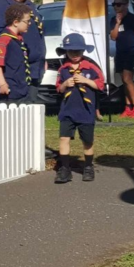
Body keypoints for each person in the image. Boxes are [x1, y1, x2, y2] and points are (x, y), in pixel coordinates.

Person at [53, 33, 105, 184]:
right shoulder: (63, 69)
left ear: (83, 51)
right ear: (66, 52)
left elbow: (100, 86)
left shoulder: (91, 68)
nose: (74, 55)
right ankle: (65, 168)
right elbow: (58, 89)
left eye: (77, 52)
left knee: (87, 141)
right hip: (67, 110)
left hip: (85, 110)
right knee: (64, 138)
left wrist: (86, 81)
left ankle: (88, 166)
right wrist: (65, 84)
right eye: (70, 52)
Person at [109, 0, 134, 118]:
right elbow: (113, 37)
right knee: (124, 81)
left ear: (126, 5)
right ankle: (128, 107)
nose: (116, 7)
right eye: (114, 4)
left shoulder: (133, 19)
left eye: (119, 4)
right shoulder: (113, 20)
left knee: (128, 79)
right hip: (120, 52)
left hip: (131, 51)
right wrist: (117, 23)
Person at [0, 4, 33, 103]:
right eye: (27, 21)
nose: (29, 23)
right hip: (9, 90)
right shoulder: (5, 39)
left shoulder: (19, 38)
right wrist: (2, 84)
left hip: (20, 87)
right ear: (16, 22)